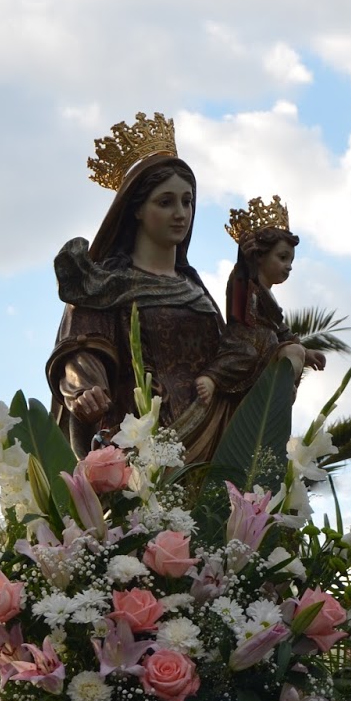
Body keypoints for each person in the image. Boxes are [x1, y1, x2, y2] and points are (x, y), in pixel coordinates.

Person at [47, 112, 223, 456]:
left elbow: (230, 358)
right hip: (138, 441)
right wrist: (86, 390)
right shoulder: (105, 287)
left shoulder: (196, 291)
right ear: (136, 209)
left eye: (187, 201)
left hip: (211, 441)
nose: (181, 213)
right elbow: (81, 353)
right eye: (165, 202)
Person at [174, 196, 326, 462]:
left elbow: (281, 331)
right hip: (244, 341)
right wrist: (243, 259)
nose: (288, 266)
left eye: (291, 260)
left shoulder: (272, 299)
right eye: (282, 257)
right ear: (260, 256)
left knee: (294, 352)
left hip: (267, 350)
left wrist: (306, 350)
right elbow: (241, 292)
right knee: (243, 355)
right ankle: (213, 377)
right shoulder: (246, 281)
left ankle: (277, 400)